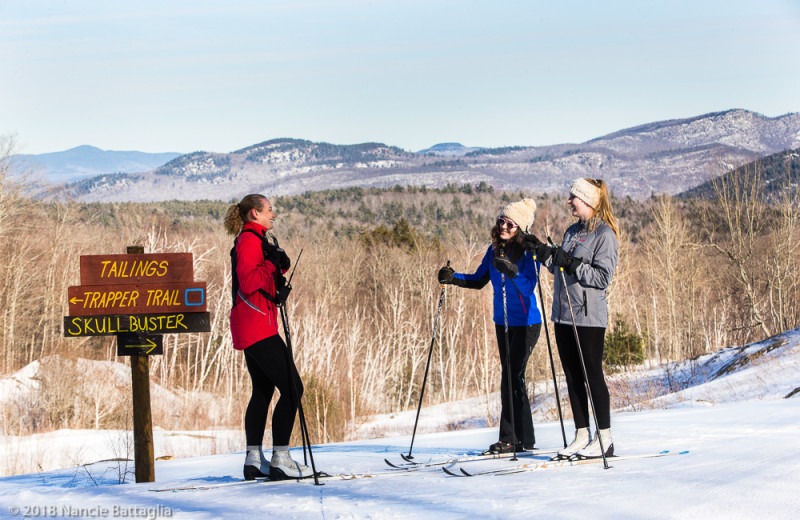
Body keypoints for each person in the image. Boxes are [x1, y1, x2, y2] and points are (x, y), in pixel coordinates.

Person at [438, 199, 542, 454]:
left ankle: (509, 439)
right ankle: (525, 438)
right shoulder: (494, 249)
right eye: (502, 221)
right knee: (514, 378)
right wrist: (453, 279)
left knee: (511, 377)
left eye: (511, 224)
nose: (504, 227)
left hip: (526, 323)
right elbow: (478, 280)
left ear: (521, 229)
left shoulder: (530, 252)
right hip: (502, 322)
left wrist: (512, 271)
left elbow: (529, 287)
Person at [525, 178, 619, 459]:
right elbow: (559, 265)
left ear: (588, 200)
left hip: (589, 317)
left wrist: (572, 264)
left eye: (573, 197)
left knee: (592, 377)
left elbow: (602, 278)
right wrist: (543, 252)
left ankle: (605, 440)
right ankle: (581, 436)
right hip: (564, 315)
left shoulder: (605, 235)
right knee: (573, 378)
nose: (569, 202)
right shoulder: (572, 232)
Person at [224, 194, 311, 480]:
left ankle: (254, 459)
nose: (273, 214)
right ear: (254, 214)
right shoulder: (249, 241)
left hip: (253, 323)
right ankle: (280, 458)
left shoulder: (258, 240)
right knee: (293, 389)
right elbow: (249, 281)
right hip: (256, 326)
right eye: (269, 210)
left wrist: (279, 265)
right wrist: (273, 266)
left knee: (262, 390)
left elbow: (263, 272)